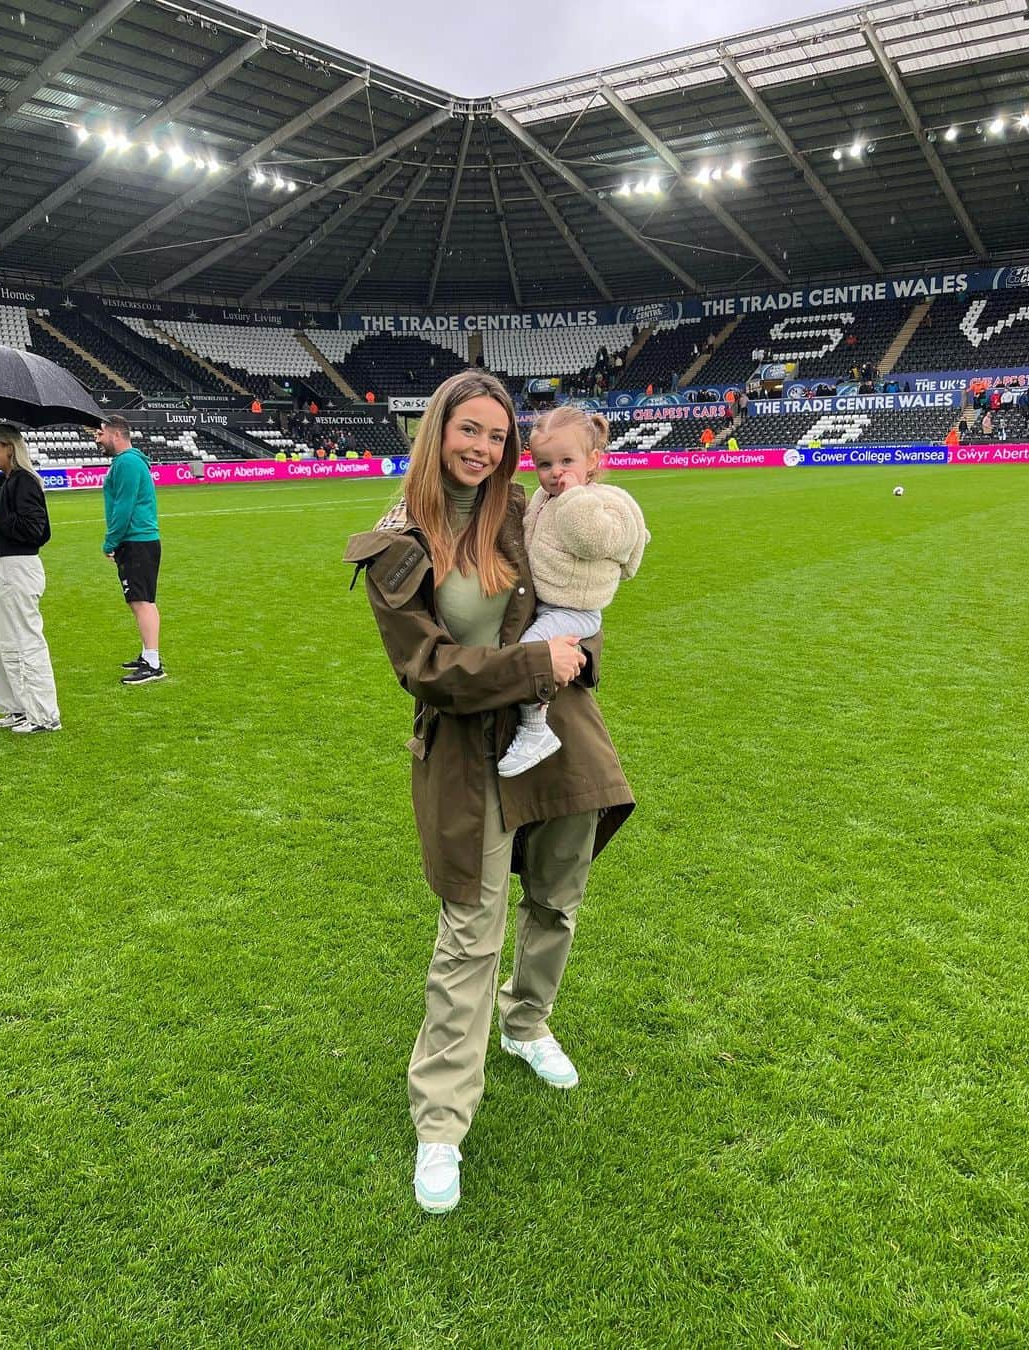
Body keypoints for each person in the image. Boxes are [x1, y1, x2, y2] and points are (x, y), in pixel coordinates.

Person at [343, 370, 634, 1214]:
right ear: (436, 431)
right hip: (467, 752)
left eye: (498, 437)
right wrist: (533, 664)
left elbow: (585, 588)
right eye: (469, 430)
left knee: (557, 899)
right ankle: (440, 1124)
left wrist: (578, 636)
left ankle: (527, 1022)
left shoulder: (526, 512)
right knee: (470, 930)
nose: (484, 449)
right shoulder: (396, 545)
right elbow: (427, 671)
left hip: (559, 736)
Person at [497, 407, 647, 778]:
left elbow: (595, 539)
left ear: (592, 460)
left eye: (567, 461)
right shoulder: (542, 499)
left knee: (531, 657)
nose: (556, 473)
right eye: (545, 464)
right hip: (550, 604)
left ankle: (534, 731)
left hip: (574, 610)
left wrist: (575, 497)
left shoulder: (603, 499)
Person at [0, 424, 61, 733]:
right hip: (1, 566)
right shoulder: (4, 481)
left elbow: (36, 531)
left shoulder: (24, 482)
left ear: (9, 448)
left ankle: (43, 715)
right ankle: (16, 708)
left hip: (18, 567)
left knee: (24, 641)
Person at [95, 417, 165, 684]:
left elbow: (124, 507)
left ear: (115, 435)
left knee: (141, 601)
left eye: (100, 434)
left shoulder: (127, 462)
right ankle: (149, 654)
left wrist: (110, 541)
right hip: (139, 540)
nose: (97, 439)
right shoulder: (128, 462)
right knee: (142, 599)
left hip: (136, 540)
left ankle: (153, 663)